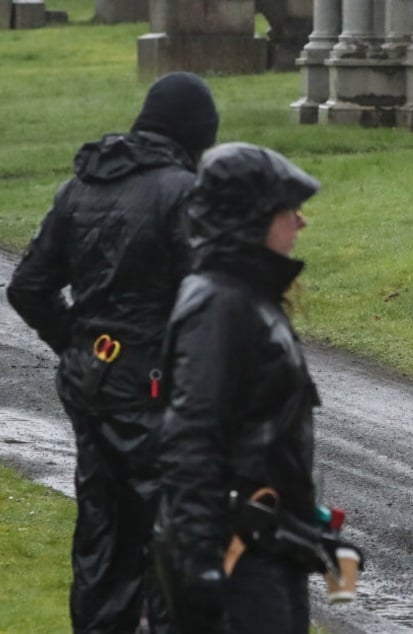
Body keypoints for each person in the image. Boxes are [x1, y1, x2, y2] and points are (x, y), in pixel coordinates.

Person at [6, 72, 219, 633]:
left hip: (92, 382)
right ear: (194, 135)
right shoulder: (182, 193)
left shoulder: (80, 188)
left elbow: (27, 286)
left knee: (102, 531)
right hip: (154, 389)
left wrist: (82, 344)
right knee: (169, 534)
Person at [151, 143, 326, 634]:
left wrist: (305, 525)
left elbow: (265, 435)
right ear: (253, 219)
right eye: (289, 210)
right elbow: (191, 437)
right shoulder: (220, 305)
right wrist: (200, 561)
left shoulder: (244, 295)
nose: (301, 222)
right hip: (238, 556)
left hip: (267, 548)